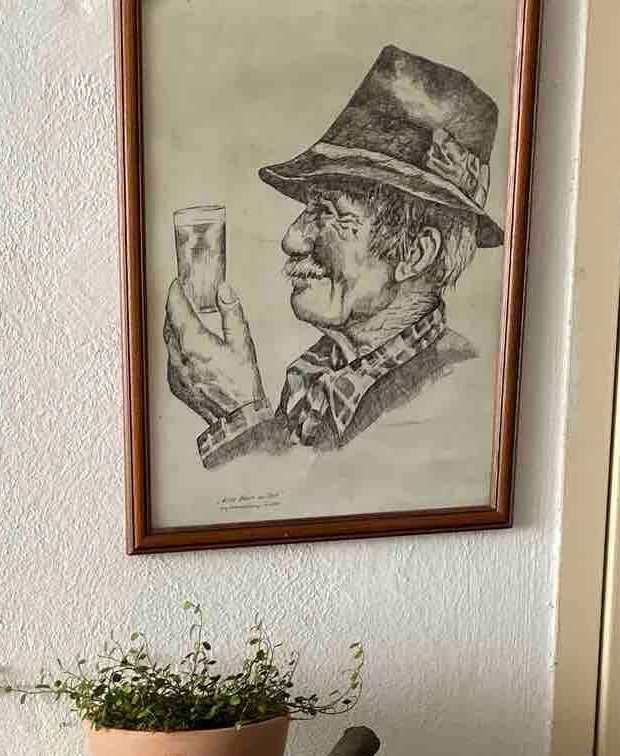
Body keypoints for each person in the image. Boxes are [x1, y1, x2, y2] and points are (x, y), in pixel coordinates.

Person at [165, 46, 504, 475]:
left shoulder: (452, 400)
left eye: (331, 213)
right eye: (309, 209)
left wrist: (239, 416)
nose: (292, 239)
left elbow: (301, 512)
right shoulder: (319, 377)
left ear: (416, 253)